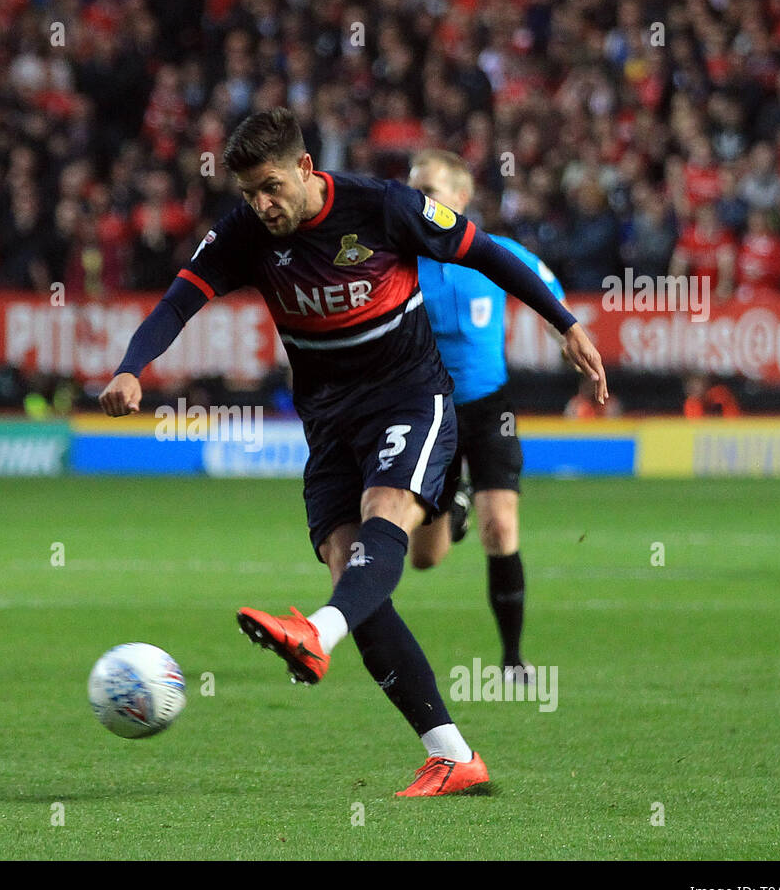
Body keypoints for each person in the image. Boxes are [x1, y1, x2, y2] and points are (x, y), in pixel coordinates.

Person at [99, 109, 608, 797]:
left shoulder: (384, 206)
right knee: (351, 568)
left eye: (272, 187)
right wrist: (133, 366)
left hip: (410, 399)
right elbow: (177, 304)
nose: (262, 204)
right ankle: (453, 754)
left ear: (307, 169)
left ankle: (317, 631)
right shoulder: (245, 233)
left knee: (385, 516)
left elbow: (486, 251)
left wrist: (566, 325)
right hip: (330, 424)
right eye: (250, 193)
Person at [404, 149, 564, 683]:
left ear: (461, 198)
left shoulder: (496, 254)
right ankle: (455, 507)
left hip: (489, 407)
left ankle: (513, 660)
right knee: (425, 559)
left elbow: (549, 295)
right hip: (428, 413)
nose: (415, 201)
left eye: (427, 190)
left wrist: (566, 336)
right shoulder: (397, 262)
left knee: (503, 525)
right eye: (412, 190)